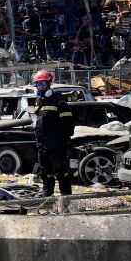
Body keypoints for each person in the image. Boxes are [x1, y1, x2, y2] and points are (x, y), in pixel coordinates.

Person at [32, 70, 75, 211]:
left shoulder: (59, 100)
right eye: (38, 84)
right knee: (46, 176)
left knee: (62, 175)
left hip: (57, 146)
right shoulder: (38, 101)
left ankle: (66, 206)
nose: (41, 87)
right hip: (43, 147)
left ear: (49, 83)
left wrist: (64, 142)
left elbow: (68, 123)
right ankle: (48, 205)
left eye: (43, 83)